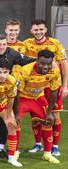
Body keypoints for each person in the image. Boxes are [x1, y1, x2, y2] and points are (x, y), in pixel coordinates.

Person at [23, 19, 68, 157]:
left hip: (51, 85)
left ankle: (54, 146)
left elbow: (64, 64)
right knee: (36, 116)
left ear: (46, 29)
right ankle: (38, 144)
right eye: (35, 30)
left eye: (41, 29)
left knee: (54, 115)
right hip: (35, 85)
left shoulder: (55, 43)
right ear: (31, 31)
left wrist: (65, 85)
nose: (38, 32)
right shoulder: (26, 44)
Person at [13, 50, 61, 164]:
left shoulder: (54, 70)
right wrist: (16, 113)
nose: (45, 67)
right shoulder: (25, 70)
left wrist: (49, 112)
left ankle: (47, 154)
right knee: (15, 123)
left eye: (48, 64)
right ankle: (14, 152)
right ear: (37, 60)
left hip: (38, 98)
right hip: (23, 99)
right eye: (42, 63)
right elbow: (17, 94)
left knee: (48, 121)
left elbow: (54, 92)